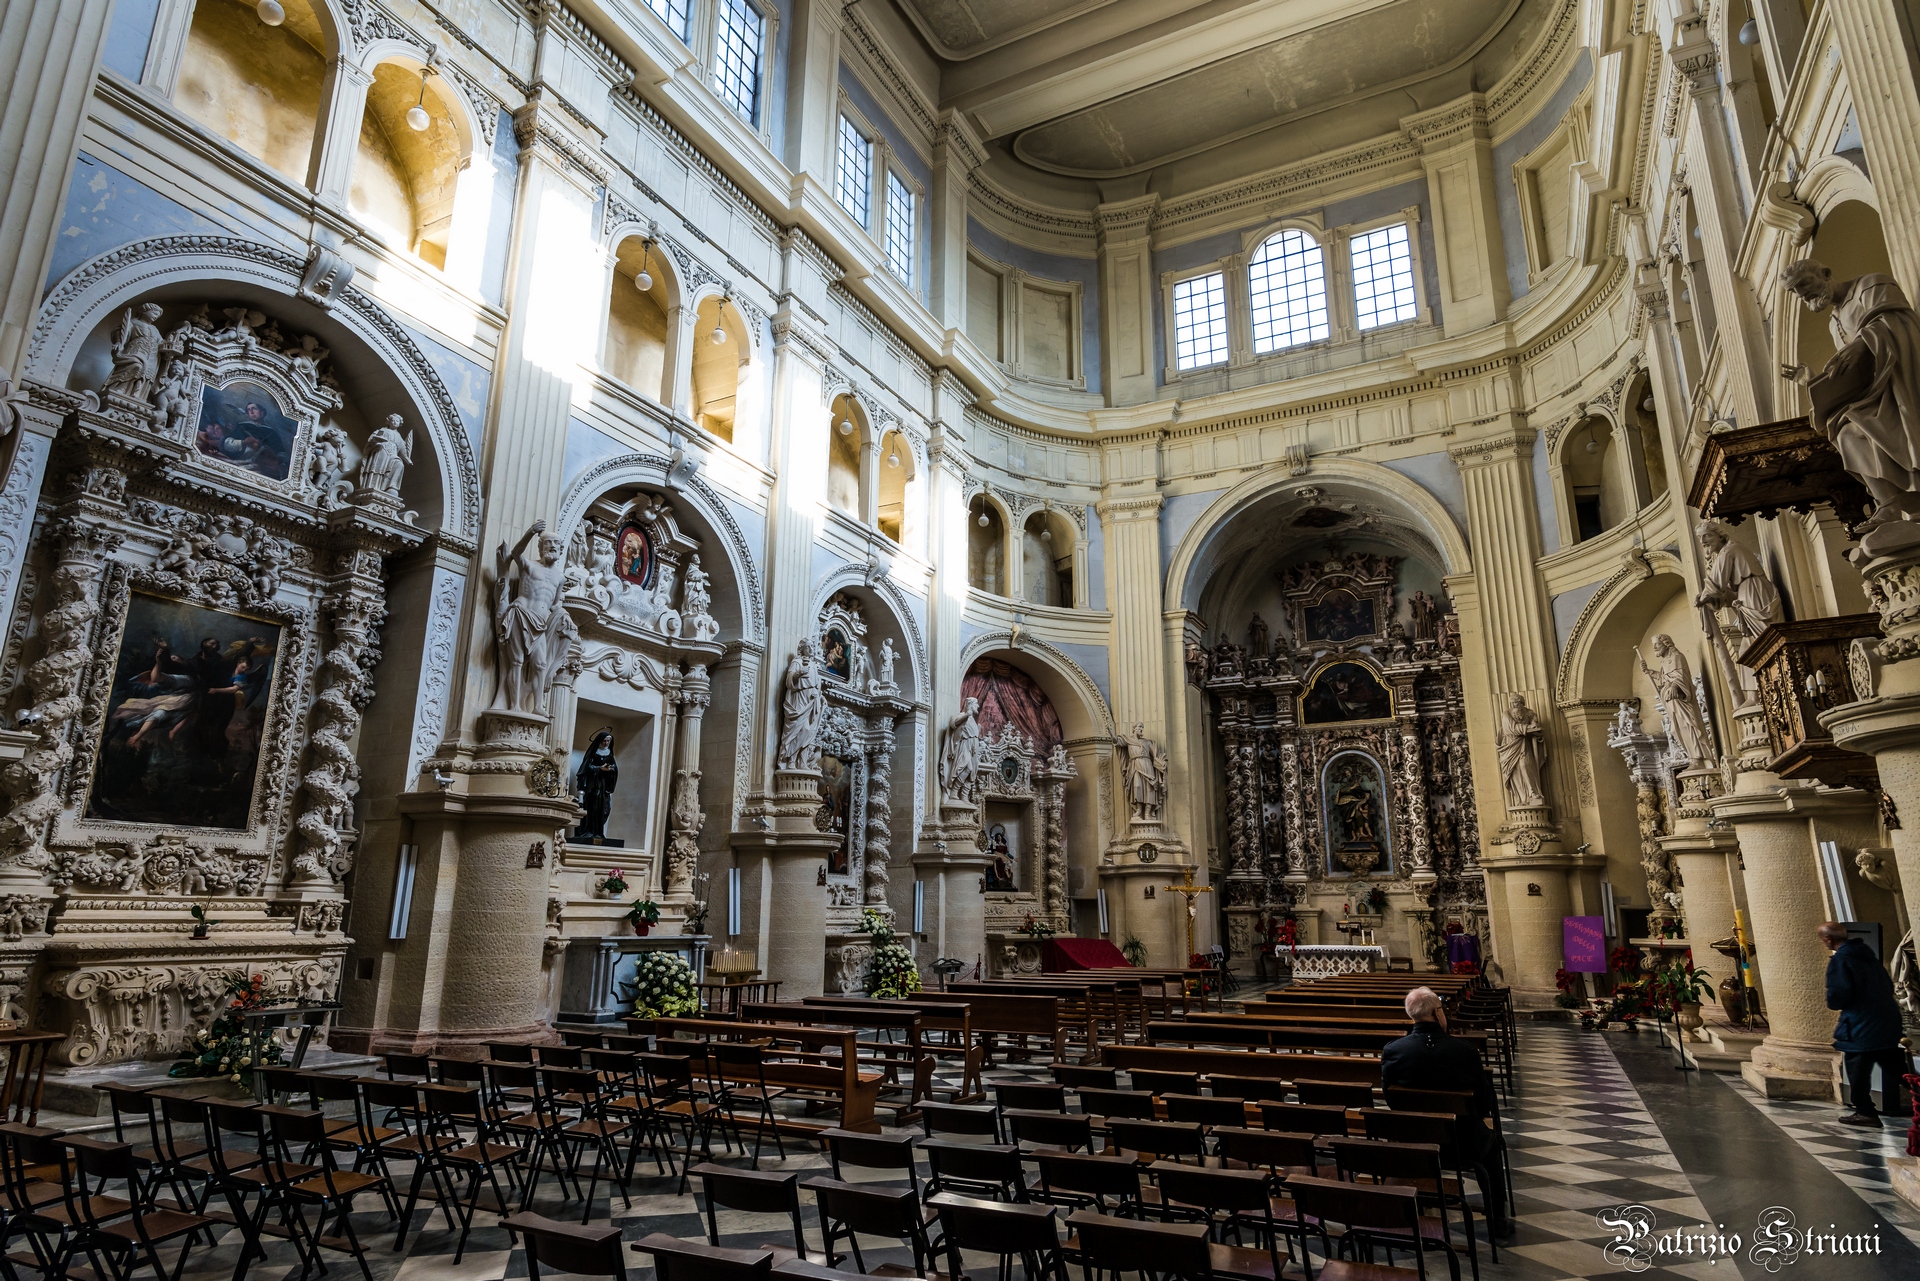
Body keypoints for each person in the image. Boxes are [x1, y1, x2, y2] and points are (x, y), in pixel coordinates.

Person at [1381, 987, 1511, 1240]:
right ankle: (1497, 1219)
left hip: (1415, 1140)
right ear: (1437, 1014)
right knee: (1494, 1145)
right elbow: (1484, 1103)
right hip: (1464, 1143)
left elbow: (1391, 1100)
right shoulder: (1464, 1050)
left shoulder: (1394, 1051)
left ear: (1412, 1016)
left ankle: (1416, 1208)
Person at [1818, 922, 1910, 1127]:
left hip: (1860, 1025)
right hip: (1886, 1020)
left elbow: (1838, 994)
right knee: (1898, 1069)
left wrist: (1834, 1001)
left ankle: (1865, 1112)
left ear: (1828, 939)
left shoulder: (1841, 960)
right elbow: (1887, 985)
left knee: (1857, 1071)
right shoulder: (1868, 956)